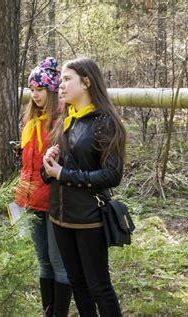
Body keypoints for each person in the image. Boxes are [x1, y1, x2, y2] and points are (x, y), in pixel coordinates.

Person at [42, 57, 126, 316]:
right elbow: (51, 174)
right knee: (78, 284)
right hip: (60, 218)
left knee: (99, 286)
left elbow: (112, 175)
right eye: (60, 81)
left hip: (90, 219)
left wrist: (63, 173)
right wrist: (48, 165)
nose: (61, 86)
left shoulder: (105, 121)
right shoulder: (65, 121)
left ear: (87, 82)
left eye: (67, 80)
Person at [14, 57, 72, 316]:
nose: (35, 95)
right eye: (32, 90)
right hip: (30, 199)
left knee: (58, 261)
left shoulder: (62, 121)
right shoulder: (30, 122)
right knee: (43, 261)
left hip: (54, 200)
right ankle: (47, 311)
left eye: (40, 90)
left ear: (51, 91)